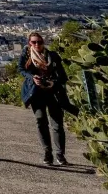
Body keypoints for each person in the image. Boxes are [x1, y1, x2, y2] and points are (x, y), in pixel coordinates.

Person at [19, 32, 71, 166]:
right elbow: (21, 69)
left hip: (53, 93)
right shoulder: (26, 55)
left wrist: (53, 82)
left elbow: (63, 76)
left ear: (43, 42)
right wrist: (32, 77)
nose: (37, 44)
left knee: (57, 124)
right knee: (40, 120)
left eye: (39, 42)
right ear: (29, 43)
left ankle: (60, 154)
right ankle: (47, 152)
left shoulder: (52, 56)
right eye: (34, 42)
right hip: (35, 92)